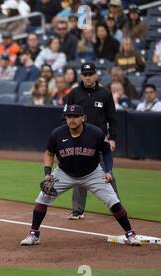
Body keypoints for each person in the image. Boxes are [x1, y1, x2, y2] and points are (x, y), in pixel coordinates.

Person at [20, 104, 141, 246]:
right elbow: (49, 153)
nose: (72, 119)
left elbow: (107, 152)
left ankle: (130, 233)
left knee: (113, 201)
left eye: (75, 116)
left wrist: (108, 171)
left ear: (83, 118)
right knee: (42, 199)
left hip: (93, 173)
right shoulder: (57, 134)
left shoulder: (95, 133)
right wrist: (47, 174)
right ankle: (34, 234)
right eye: (69, 117)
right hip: (64, 173)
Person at [64, 62, 118, 220]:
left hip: (99, 140)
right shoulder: (74, 93)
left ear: (96, 75)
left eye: (90, 74)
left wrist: (112, 138)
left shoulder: (105, 94)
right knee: (79, 174)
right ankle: (78, 210)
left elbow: (112, 118)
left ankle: (116, 206)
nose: (88, 77)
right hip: (78, 140)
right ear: (81, 76)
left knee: (107, 173)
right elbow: (65, 117)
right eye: (85, 74)